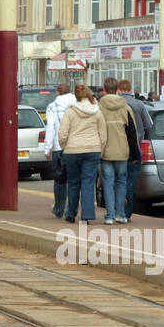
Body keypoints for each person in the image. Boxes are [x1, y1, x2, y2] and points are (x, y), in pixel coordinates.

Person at [58, 84, 106, 225]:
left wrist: (65, 147)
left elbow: (62, 134)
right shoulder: (97, 111)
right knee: (88, 182)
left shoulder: (70, 111)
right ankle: (86, 216)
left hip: (72, 151)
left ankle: (71, 214)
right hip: (92, 150)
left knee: (73, 182)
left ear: (76, 96)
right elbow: (103, 134)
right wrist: (99, 148)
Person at [99, 78, 140, 224]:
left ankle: (109, 216)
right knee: (121, 181)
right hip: (123, 150)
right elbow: (132, 132)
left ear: (104, 89)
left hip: (105, 151)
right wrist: (135, 154)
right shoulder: (125, 107)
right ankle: (120, 214)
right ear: (118, 89)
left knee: (108, 182)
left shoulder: (100, 107)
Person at [116, 79, 152, 221]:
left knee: (119, 179)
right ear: (130, 89)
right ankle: (127, 212)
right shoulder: (139, 104)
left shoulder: (116, 104)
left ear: (119, 89)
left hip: (118, 147)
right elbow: (148, 125)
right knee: (131, 181)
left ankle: (118, 208)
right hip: (135, 148)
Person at [41, 83, 76, 219]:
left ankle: (59, 209)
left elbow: (50, 127)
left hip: (58, 146)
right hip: (75, 146)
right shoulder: (77, 104)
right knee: (73, 180)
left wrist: (47, 148)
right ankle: (71, 210)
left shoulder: (53, 107)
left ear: (57, 93)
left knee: (60, 179)